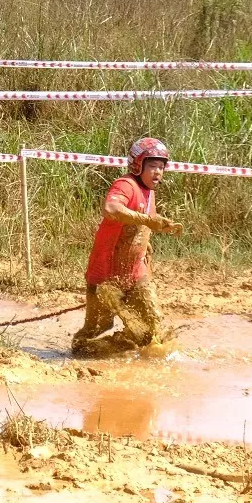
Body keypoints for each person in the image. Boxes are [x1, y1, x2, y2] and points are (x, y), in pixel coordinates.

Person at [73, 138, 182, 355]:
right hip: (106, 274)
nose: (158, 172)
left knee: (152, 327)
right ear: (137, 165)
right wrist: (147, 220)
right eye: (152, 166)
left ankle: (126, 350)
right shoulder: (126, 185)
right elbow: (111, 208)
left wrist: (149, 237)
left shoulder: (150, 192)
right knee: (97, 329)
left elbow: (144, 222)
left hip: (135, 272)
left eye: (161, 167)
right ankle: (85, 353)